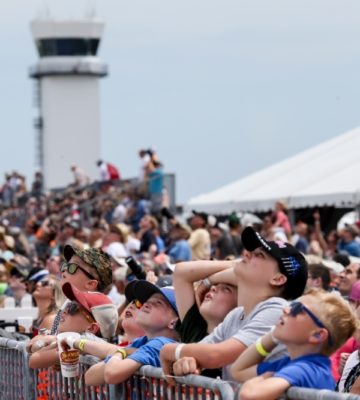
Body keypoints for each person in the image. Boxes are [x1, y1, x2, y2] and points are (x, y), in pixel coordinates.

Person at [160, 226, 308, 382]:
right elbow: (202, 352)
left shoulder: (276, 309)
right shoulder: (236, 315)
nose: (246, 253)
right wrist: (188, 360)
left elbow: (215, 355)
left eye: (259, 255)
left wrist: (170, 350)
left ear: (278, 279)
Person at [231, 289, 358, 400]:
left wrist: (262, 379)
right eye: (292, 304)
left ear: (317, 335)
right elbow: (238, 371)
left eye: (297, 309)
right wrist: (273, 336)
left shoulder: (309, 369)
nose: (286, 309)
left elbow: (249, 395)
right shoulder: (292, 363)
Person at [64, 280, 180, 385]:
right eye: (147, 301)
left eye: (158, 303)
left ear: (173, 322)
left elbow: (111, 374)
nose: (145, 304)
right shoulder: (142, 342)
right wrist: (124, 352)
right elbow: (89, 378)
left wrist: (121, 353)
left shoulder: (162, 344)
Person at [27, 282, 118, 369]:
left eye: (73, 308)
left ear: (92, 328)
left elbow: (34, 361)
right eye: (68, 305)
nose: (65, 311)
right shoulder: (80, 338)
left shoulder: (86, 339)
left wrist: (53, 340)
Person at [50, 244, 113, 335]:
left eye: (72, 267)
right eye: (66, 265)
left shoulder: (98, 311)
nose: (65, 270)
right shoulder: (68, 301)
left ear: (91, 284)